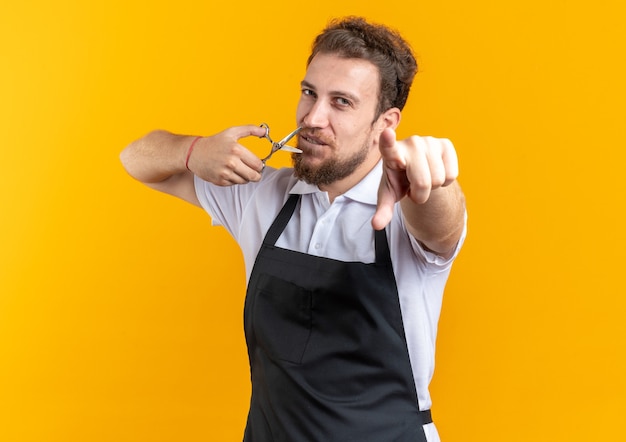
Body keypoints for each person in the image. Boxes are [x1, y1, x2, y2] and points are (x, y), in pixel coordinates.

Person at [120, 16, 466, 442]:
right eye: (309, 93)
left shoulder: (405, 207)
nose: (313, 118)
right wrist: (195, 150)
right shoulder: (261, 195)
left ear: (386, 124)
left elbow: (442, 229)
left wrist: (431, 182)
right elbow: (135, 159)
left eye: (341, 102)